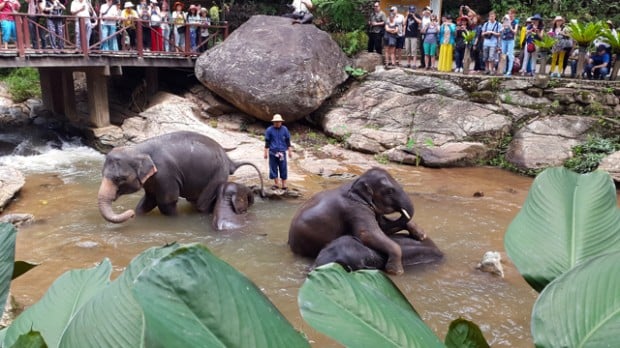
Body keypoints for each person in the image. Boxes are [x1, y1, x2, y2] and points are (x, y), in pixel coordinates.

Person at [264, 114, 292, 191]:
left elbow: (287, 141)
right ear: (273, 122)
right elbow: (267, 142)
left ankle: (284, 184)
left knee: (283, 167)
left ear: (281, 122)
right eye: (276, 122)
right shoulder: (269, 130)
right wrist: (265, 152)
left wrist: (290, 150)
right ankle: (276, 184)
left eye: (279, 122)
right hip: (272, 152)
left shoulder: (285, 129)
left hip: (282, 152)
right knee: (273, 168)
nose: (277, 123)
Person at [481, 11, 501, 75]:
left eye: (493, 16)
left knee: (491, 57)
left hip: (493, 43)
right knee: (485, 57)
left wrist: (492, 32)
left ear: (495, 16)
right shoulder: (486, 24)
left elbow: (499, 34)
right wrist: (486, 33)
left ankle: (491, 70)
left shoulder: (498, 24)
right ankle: (487, 69)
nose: (491, 17)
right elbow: (482, 33)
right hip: (486, 42)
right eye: (490, 16)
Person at [500, 9, 518, 76]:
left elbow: (515, 32)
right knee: (503, 55)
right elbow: (501, 29)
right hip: (504, 39)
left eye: (511, 13)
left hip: (511, 40)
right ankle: (504, 70)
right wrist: (504, 26)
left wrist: (510, 26)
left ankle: (509, 71)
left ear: (514, 14)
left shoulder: (515, 22)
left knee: (510, 56)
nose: (510, 15)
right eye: (509, 13)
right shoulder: (505, 20)